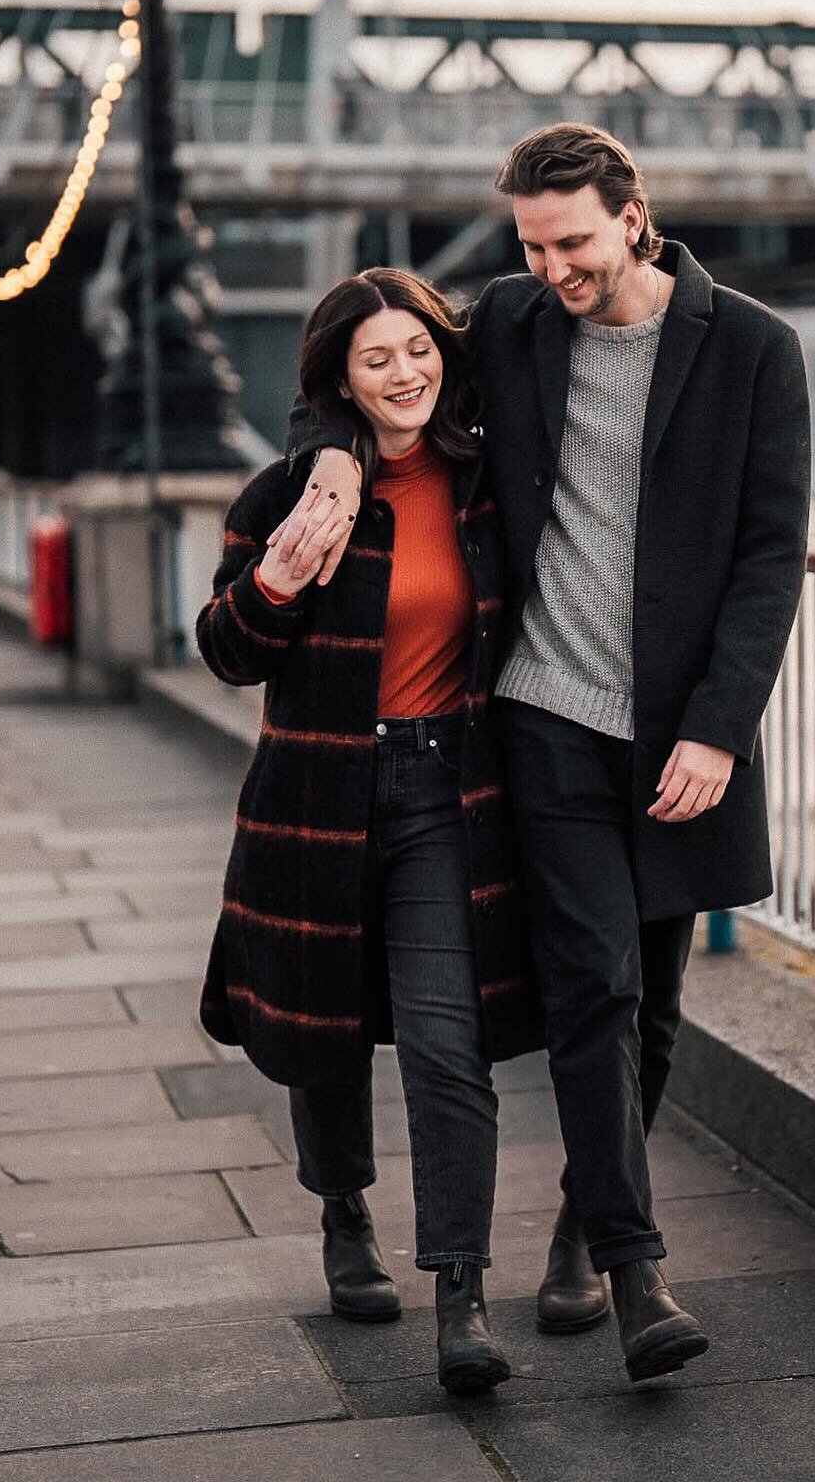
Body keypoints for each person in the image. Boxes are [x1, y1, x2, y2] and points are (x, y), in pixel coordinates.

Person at [278, 124, 812, 1385]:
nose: (553, 266)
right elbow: (370, 366)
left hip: (679, 735)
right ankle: (638, 1275)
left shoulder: (751, 349)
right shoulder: (513, 322)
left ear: (634, 216)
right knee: (594, 986)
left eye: (571, 241)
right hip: (545, 710)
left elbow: (768, 556)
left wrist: (718, 729)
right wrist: (331, 468)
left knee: (658, 1000)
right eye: (532, 244)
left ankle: (582, 1222)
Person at [196, 268, 542, 1396]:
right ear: (339, 380)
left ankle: (462, 1290)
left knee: (449, 1044)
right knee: (322, 1025)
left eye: (419, 350)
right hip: (318, 790)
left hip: (447, 794)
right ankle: (344, 1212)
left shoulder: (488, 488)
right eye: (376, 359)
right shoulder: (289, 495)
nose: (406, 373)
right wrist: (280, 581)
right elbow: (226, 649)